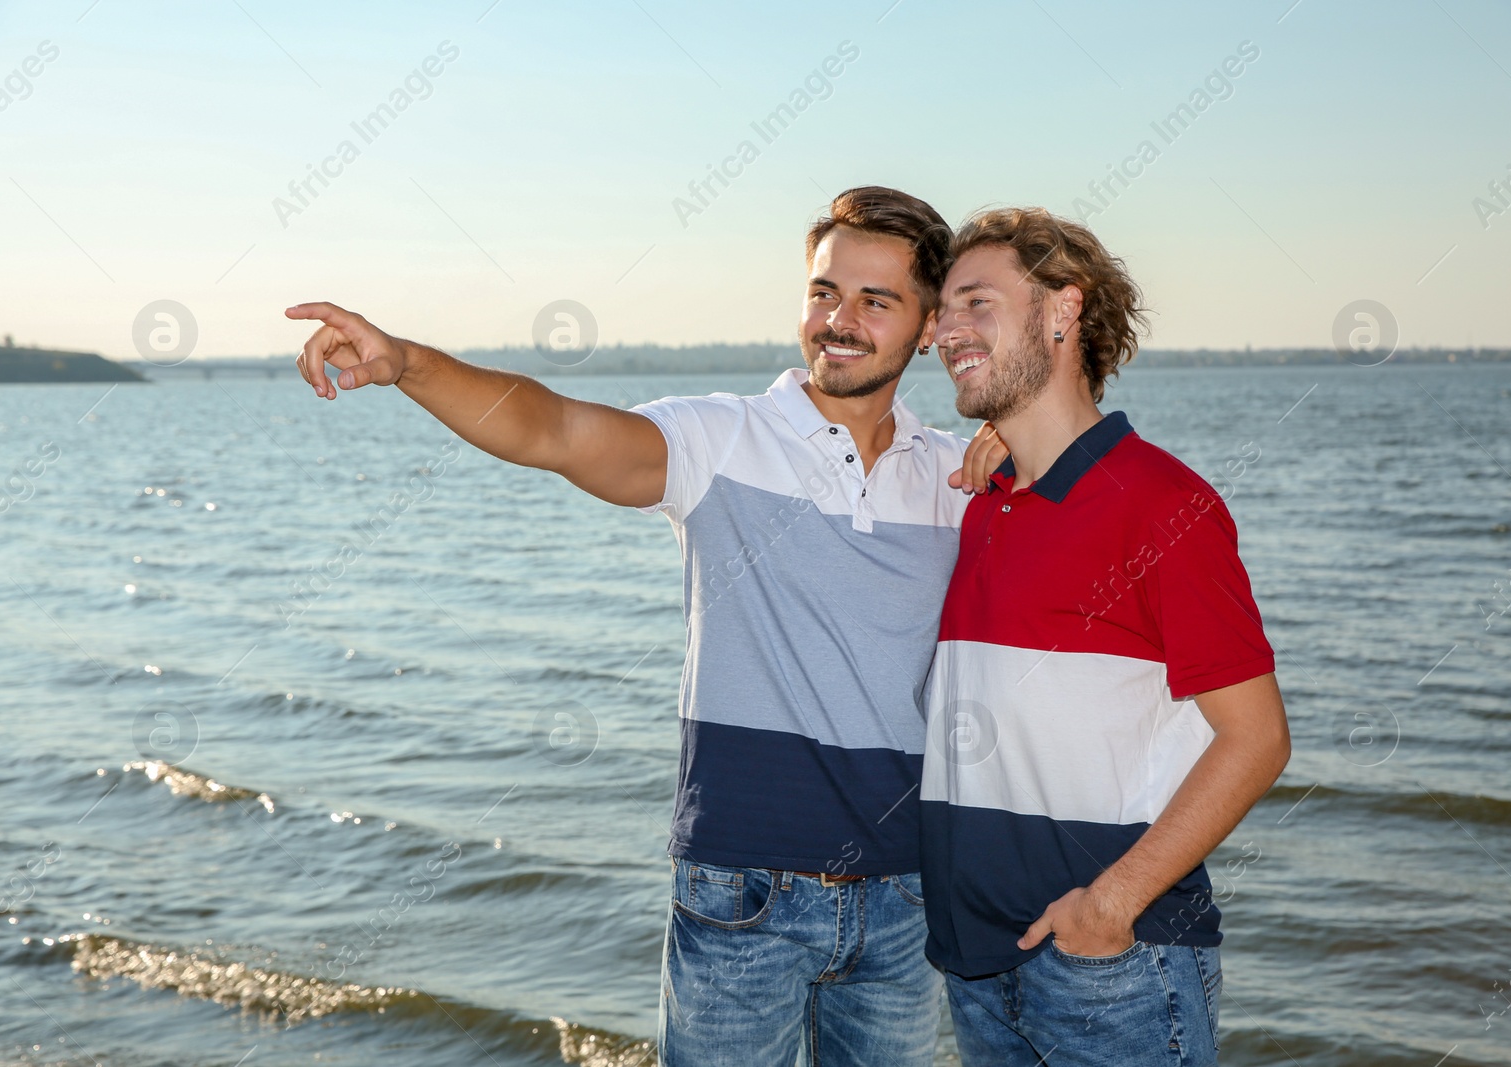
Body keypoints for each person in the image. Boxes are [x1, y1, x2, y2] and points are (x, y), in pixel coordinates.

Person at [287, 186, 1005, 1066]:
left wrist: (1023, 445)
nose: (837, 320)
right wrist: (407, 363)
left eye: (873, 300)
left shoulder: (958, 477)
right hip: (744, 895)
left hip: (902, 897)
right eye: (823, 292)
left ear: (928, 325)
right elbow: (547, 427)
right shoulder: (719, 440)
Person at [919, 207, 1292, 1066]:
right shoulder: (980, 500)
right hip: (978, 963)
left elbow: (1258, 737)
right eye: (944, 310)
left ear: (1061, 312)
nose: (945, 330)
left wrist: (1109, 903)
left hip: (1113, 963)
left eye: (977, 303)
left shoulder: (1165, 506)